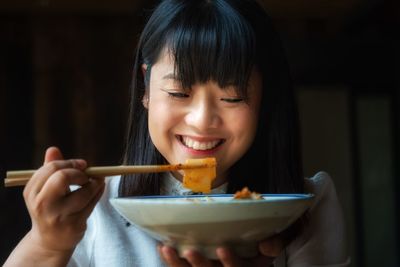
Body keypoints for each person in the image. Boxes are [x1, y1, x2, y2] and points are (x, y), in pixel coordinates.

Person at [4, 0, 350, 266]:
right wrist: (48, 242)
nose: (201, 121)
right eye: (178, 93)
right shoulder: (91, 207)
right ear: (146, 88)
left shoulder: (307, 206)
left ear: (265, 99)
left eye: (231, 97)